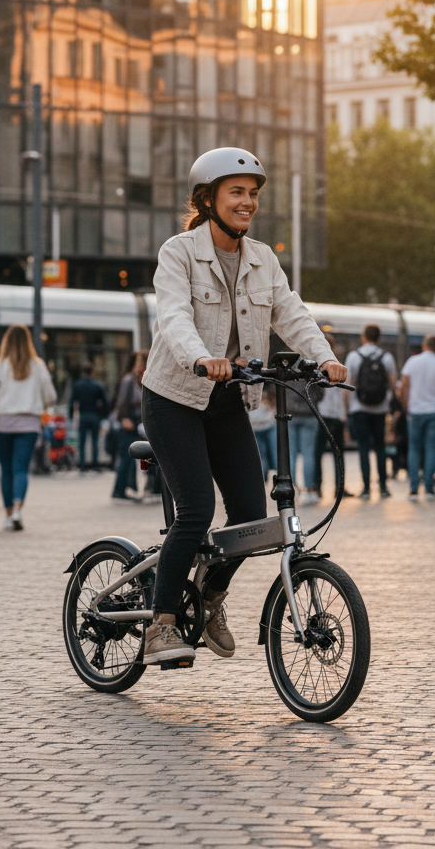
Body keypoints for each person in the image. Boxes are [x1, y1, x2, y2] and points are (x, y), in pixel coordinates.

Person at [139, 146, 343, 667]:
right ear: (208, 200)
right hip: (175, 396)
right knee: (197, 512)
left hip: (228, 399)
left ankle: (210, 596)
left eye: (252, 194)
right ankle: (161, 624)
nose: (248, 202)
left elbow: (290, 312)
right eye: (237, 193)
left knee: (252, 514)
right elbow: (174, 318)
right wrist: (202, 357)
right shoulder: (179, 253)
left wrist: (325, 359)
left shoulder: (262, 259)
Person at [0, 324, 57, 531]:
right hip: (29, 424)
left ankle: (7, 515)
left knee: (5, 469)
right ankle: (17, 509)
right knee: (21, 469)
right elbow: (51, 396)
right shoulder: (38, 365)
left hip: (3, 423)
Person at [344, 323, 397, 499]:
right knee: (380, 447)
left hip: (359, 408)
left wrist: (347, 410)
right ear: (378, 337)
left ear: (363, 336)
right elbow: (393, 383)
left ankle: (366, 488)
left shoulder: (354, 356)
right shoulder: (386, 357)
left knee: (364, 448)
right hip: (380, 409)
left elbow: (348, 385)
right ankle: (383, 487)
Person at [400, 334, 435, 502]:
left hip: (415, 410)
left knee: (414, 448)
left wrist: (406, 405)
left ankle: (414, 489)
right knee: (432, 449)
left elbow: (403, 386)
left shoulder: (412, 361)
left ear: (424, 345)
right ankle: (429, 488)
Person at [314, 335, 350, 500]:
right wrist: (343, 416)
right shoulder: (337, 366)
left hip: (319, 414)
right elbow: (340, 396)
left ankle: (317, 486)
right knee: (338, 454)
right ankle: (339, 489)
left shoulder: (313, 367)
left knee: (318, 452)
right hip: (335, 415)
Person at [112, 351, 147, 500]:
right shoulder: (128, 380)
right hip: (129, 422)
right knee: (126, 457)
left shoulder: (137, 379)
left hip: (137, 423)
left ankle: (126, 488)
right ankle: (119, 490)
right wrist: (124, 418)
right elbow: (121, 402)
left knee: (130, 458)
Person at [69, 363, 108, 471]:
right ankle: (95, 465)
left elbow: (72, 401)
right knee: (95, 441)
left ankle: (82, 465)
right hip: (95, 415)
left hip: (83, 414)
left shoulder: (78, 385)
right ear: (92, 372)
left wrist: (71, 416)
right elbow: (105, 402)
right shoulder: (97, 385)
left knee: (81, 441)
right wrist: (104, 415)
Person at [249, 385, 277, 482]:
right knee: (275, 452)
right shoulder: (269, 387)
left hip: (254, 423)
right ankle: (272, 475)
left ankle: (262, 478)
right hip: (268, 422)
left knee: (260, 453)